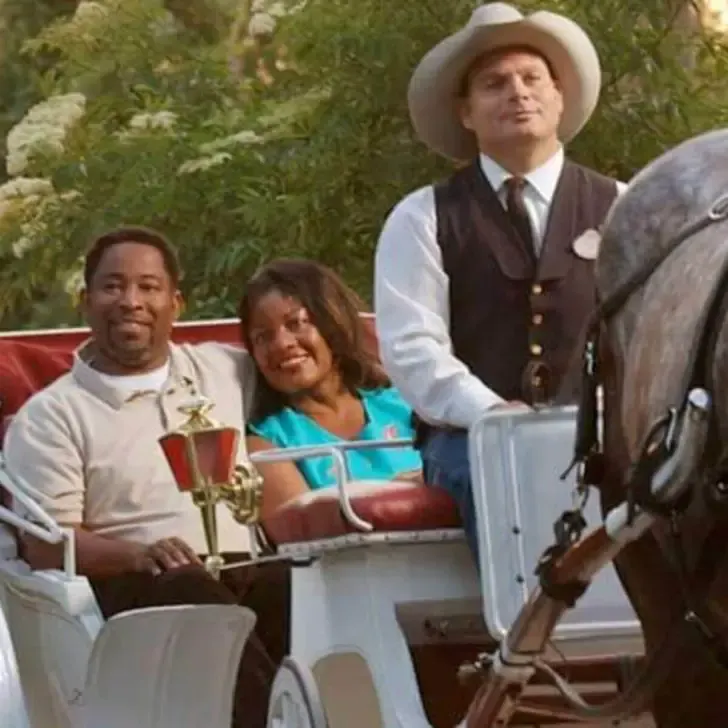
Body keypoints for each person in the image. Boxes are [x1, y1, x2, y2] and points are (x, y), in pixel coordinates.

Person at [3, 226, 288, 728]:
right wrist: (139, 553)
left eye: (148, 287)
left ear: (176, 303)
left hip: (243, 565)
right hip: (137, 586)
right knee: (193, 596)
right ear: (84, 301)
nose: (131, 301)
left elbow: (312, 370)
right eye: (113, 286)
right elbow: (47, 546)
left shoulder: (225, 371)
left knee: (301, 584)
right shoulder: (52, 415)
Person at [373, 3, 628, 563]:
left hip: (606, 429)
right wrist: (492, 416)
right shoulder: (422, 217)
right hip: (470, 438)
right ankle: (527, 643)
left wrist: (605, 418)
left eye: (532, 78)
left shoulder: (622, 206)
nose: (518, 92)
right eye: (495, 84)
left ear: (559, 97)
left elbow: (649, 332)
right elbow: (413, 349)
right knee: (506, 487)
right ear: (465, 112)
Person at [239, 258, 422, 517]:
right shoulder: (267, 443)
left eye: (296, 323)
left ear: (333, 322)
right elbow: (301, 529)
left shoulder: (405, 404)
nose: (282, 344)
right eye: (262, 337)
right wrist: (404, 489)